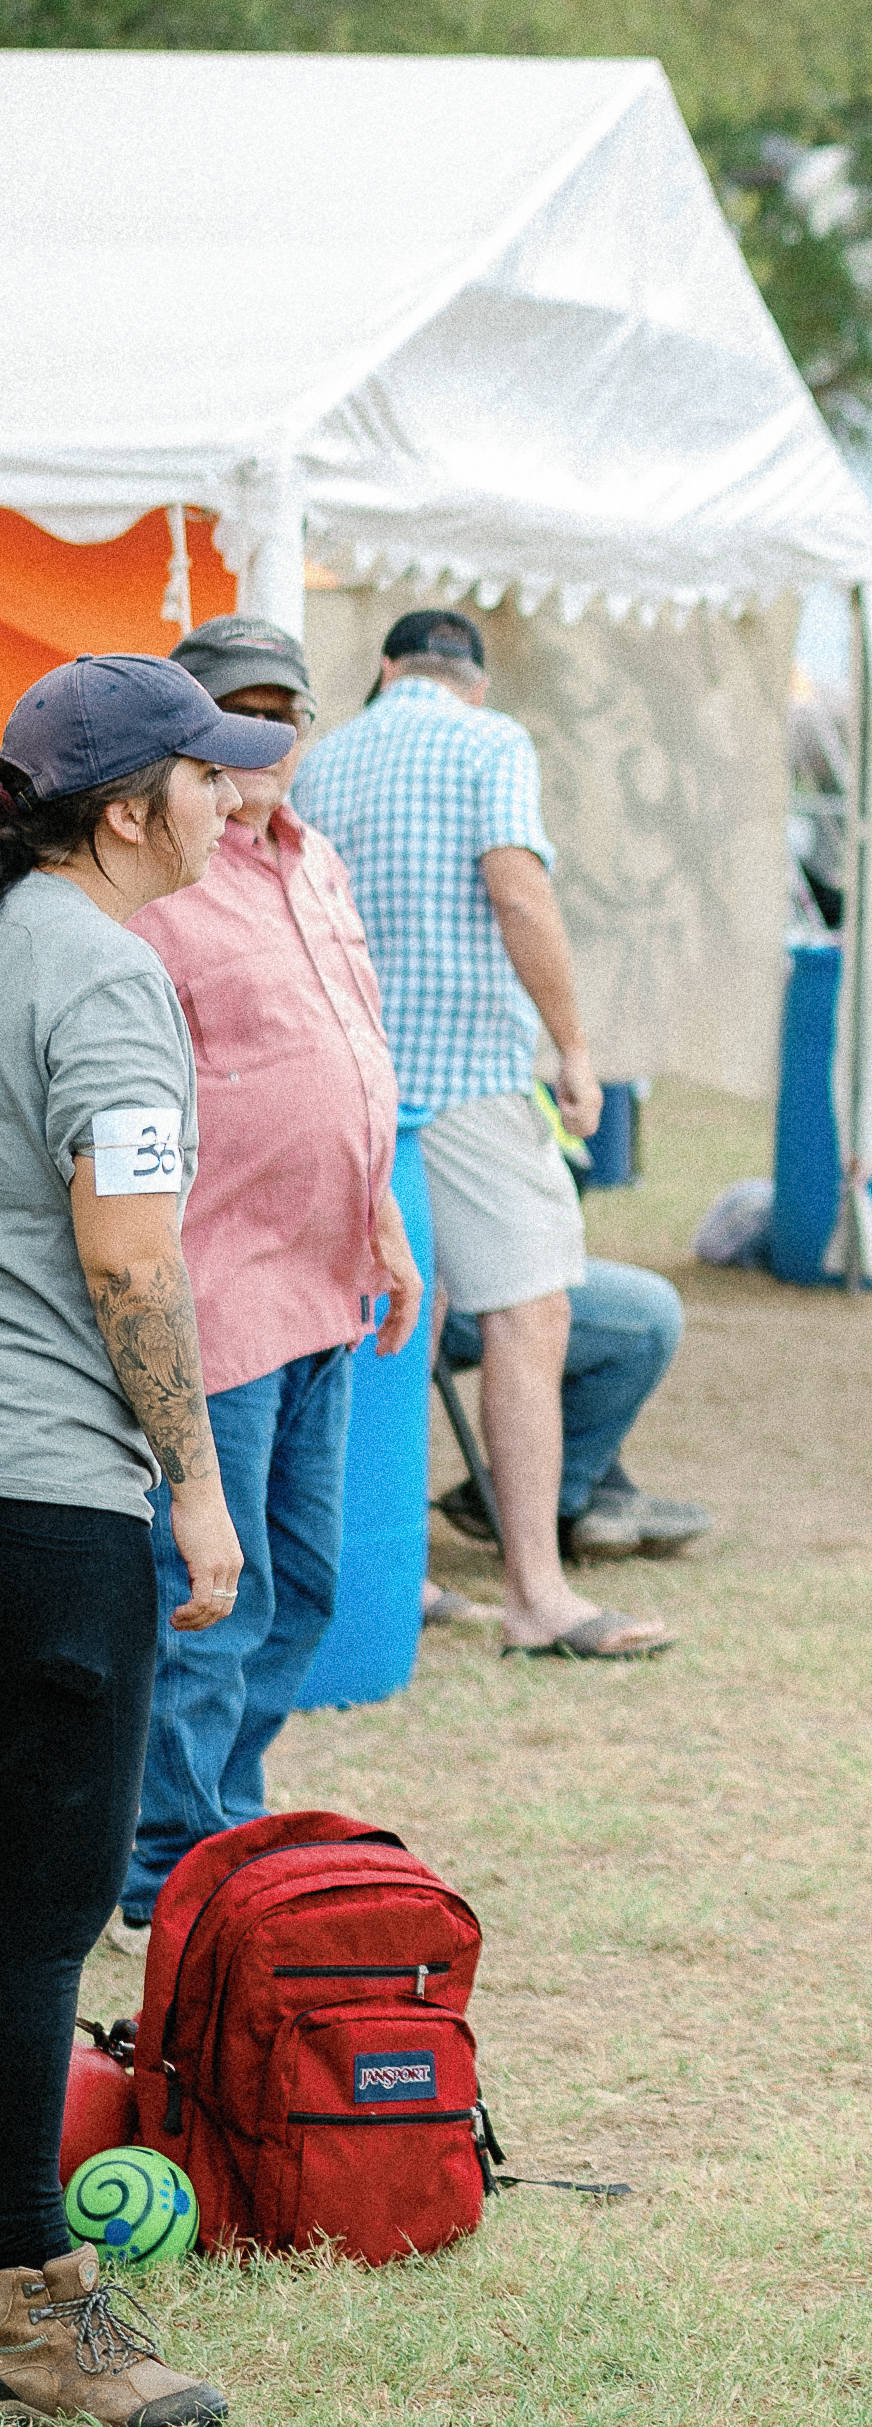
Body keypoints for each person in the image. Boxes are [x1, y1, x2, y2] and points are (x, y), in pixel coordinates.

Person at [0, 652, 292, 2427]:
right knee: (38, 1914)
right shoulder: (103, 969)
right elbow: (127, 1253)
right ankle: (36, 2297)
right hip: (51, 1497)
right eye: (210, 774)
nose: (236, 797)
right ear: (128, 810)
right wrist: (192, 1475)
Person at [116, 619, 423, 1930]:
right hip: (215, 1284)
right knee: (210, 1593)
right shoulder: (162, 883)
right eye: (235, 711)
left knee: (303, 1581)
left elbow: (352, 1053)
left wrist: (389, 1229)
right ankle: (169, 1862)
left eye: (281, 709)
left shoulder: (320, 863)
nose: (265, 737)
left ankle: (222, 1816)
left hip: (326, 1277)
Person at [290, 609, 670, 1662]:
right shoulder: (490, 742)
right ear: (477, 681)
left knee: (388, 1326)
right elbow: (518, 889)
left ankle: (390, 1574)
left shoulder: (326, 760)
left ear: (385, 669)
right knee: (530, 1317)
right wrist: (577, 1049)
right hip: (467, 1078)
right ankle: (535, 1594)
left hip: (352, 1081)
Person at [434, 1265, 707, 1564]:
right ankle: (543, 1496)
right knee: (650, 1317)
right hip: (427, 1288)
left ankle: (563, 1484)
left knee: (547, 1278)